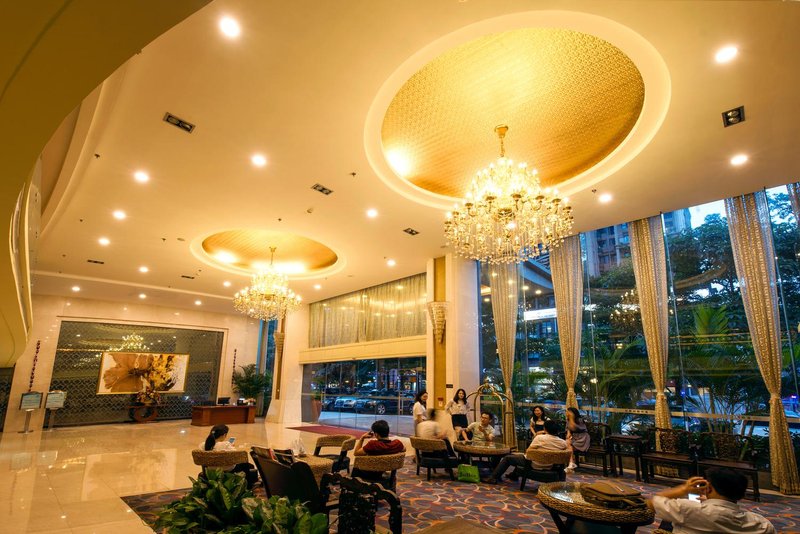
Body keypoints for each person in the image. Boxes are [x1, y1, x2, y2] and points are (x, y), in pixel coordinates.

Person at [647, 468, 775, 533]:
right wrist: (709, 501)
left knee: (668, 519)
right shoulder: (762, 524)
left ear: (708, 488)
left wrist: (683, 489)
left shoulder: (686, 509)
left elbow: (651, 503)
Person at [482, 419, 568, 484]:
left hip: (533, 464)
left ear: (545, 429)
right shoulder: (563, 443)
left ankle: (493, 478)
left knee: (508, 458)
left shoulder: (540, 438)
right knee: (517, 457)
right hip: (550, 466)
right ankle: (514, 475)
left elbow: (529, 452)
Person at [200, 424, 258, 488]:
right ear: (224, 435)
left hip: (210, 469)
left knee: (248, 465)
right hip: (228, 469)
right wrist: (231, 446)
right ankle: (248, 486)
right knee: (246, 464)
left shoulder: (203, 445)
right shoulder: (226, 445)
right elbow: (235, 455)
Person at [565, 407, 589, 473]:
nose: (566, 413)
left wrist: (571, 419)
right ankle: (571, 463)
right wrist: (568, 433)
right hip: (574, 437)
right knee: (567, 443)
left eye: (568, 412)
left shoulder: (579, 420)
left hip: (582, 437)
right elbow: (568, 428)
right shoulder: (568, 420)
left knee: (569, 446)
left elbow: (576, 428)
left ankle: (571, 463)